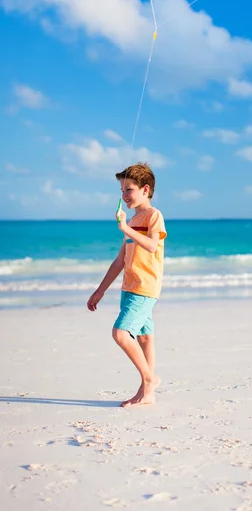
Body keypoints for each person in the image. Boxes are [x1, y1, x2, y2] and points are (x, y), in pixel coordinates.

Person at [87, 162, 167, 407]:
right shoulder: (133, 221)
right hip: (130, 287)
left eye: (128, 189)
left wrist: (124, 228)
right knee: (144, 338)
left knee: (121, 334)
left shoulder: (153, 215)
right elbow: (119, 261)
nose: (124, 195)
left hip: (145, 287)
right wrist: (100, 291)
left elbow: (152, 246)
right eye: (121, 190)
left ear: (145, 190)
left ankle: (149, 379)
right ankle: (147, 394)